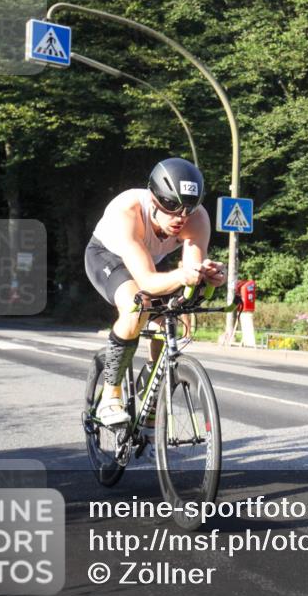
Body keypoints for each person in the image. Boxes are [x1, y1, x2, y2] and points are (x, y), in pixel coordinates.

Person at [84, 158, 227, 426]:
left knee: (174, 321)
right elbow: (147, 282)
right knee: (135, 306)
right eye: (172, 206)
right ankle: (110, 397)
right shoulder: (128, 211)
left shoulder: (196, 220)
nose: (180, 217)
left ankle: (151, 406)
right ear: (154, 198)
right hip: (107, 256)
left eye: (188, 208)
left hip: (150, 260)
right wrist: (182, 275)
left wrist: (209, 279)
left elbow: (191, 282)